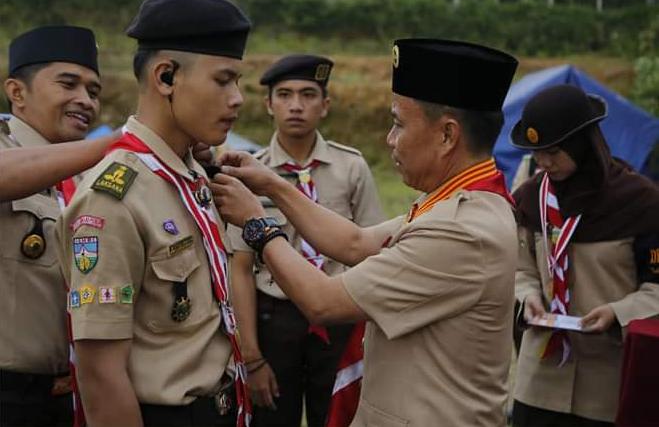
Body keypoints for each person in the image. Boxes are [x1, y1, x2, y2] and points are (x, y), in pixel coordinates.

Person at [212, 38, 519, 426]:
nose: (390, 139)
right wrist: (273, 185)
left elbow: (324, 301)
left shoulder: (462, 229)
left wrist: (258, 223)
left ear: (447, 136)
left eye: (398, 124)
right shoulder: (457, 202)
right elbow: (357, 243)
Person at [55, 0, 252, 427]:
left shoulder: (190, 174)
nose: (237, 98)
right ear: (166, 78)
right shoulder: (112, 199)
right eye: (223, 80)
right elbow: (101, 375)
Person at [226, 54, 384, 427]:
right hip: (275, 319)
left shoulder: (351, 168)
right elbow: (241, 268)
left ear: (325, 105)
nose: (296, 105)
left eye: (308, 94)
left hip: (340, 316)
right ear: (268, 105)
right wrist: (252, 356)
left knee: (336, 417)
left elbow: (372, 253)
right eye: (284, 94)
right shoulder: (250, 172)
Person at [509, 84, 659, 427]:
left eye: (554, 152)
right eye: (537, 153)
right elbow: (519, 268)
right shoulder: (531, 199)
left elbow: (657, 287)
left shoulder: (642, 204)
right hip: (539, 383)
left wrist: (618, 313)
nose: (544, 163)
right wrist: (528, 296)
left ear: (582, 143)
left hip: (606, 385)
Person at [0, 25, 101, 427]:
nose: (85, 101)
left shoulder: (89, 177)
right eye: (68, 84)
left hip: (70, 394)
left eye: (93, 91)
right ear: (17, 91)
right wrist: (117, 144)